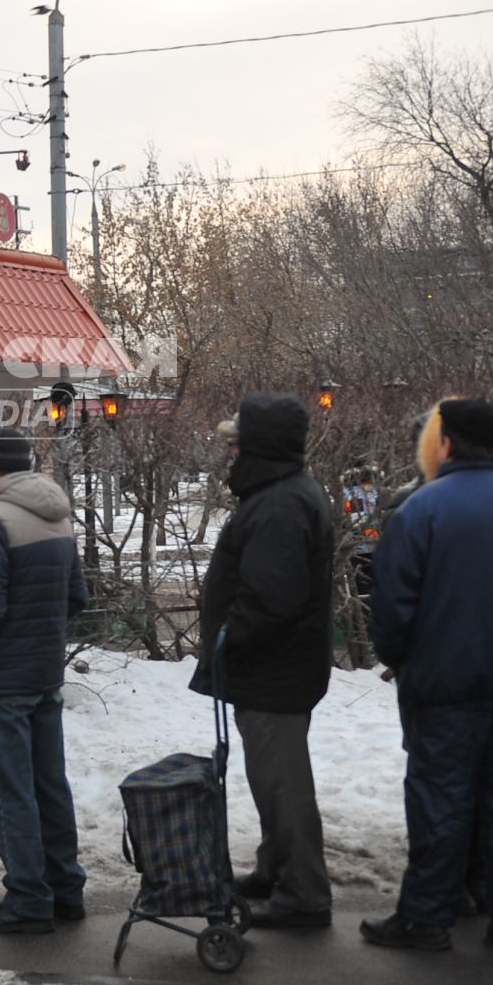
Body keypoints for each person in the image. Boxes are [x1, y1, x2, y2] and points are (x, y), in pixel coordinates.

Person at [363, 398, 493, 959]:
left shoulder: (419, 512)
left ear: (446, 444)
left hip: (441, 689)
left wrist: (409, 659)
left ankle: (427, 919)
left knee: (440, 800)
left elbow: (390, 611)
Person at [190, 393, 335, 929]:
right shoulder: (281, 495)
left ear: (259, 447)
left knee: (283, 783)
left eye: (237, 442)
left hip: (274, 670)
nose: (230, 451)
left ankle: (304, 894)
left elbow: (272, 596)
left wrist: (230, 636)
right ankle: (277, 869)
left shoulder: (279, 504)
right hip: (276, 670)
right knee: (273, 777)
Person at [0, 427, 88, 936]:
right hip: (45, 671)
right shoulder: (58, 516)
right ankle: (66, 889)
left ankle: (29, 898)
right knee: (50, 782)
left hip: (5, 678)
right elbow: (77, 598)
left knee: (11, 790)